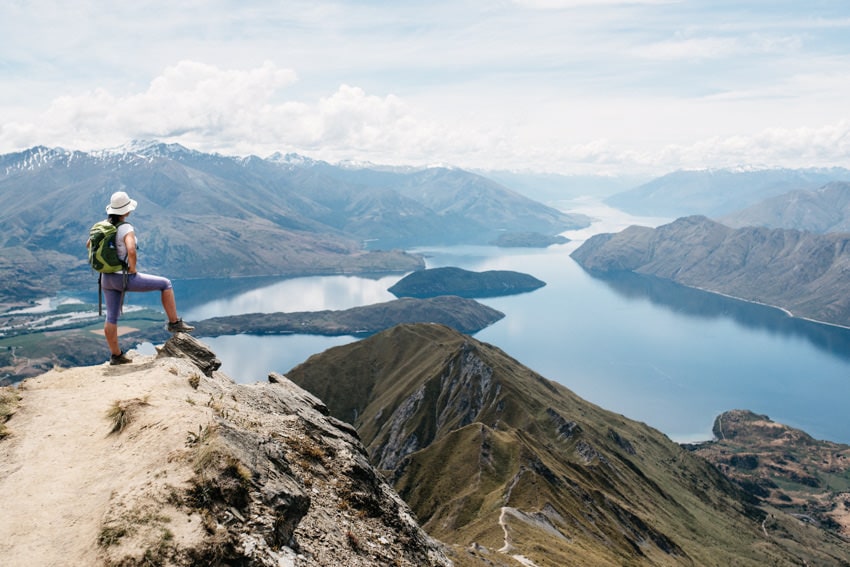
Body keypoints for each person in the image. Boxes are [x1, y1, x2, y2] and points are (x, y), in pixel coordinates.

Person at [88, 191, 195, 365]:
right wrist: (132, 269)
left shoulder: (101, 227)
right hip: (123, 277)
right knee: (165, 284)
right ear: (126, 211)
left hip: (106, 279)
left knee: (111, 317)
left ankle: (116, 356)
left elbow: (89, 244)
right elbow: (131, 250)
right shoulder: (126, 228)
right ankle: (174, 323)